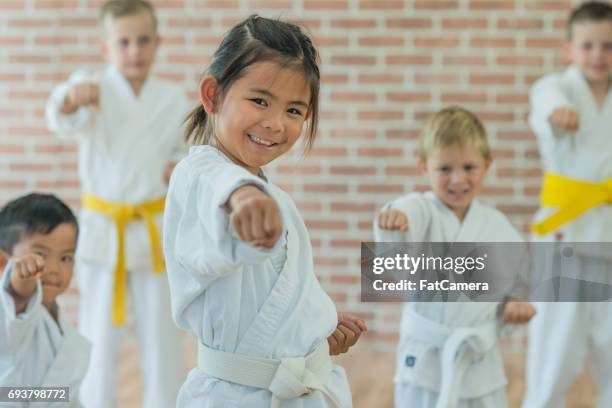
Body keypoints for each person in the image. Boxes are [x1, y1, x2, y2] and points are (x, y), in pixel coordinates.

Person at [163, 14, 366, 407]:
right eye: (259, 101)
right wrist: (245, 198)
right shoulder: (199, 176)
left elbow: (276, 300)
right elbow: (222, 189)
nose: (275, 123)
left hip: (293, 386)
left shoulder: (278, 199)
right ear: (212, 95)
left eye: (294, 111)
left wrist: (315, 331)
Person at [45, 1, 188, 406]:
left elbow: (186, 151)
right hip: (105, 236)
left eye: (143, 41)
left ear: (158, 43)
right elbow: (59, 115)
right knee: (96, 338)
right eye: (123, 42)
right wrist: (71, 97)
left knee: (162, 340)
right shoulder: (92, 89)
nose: (134, 51)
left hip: (151, 235)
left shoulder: (171, 100)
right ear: (105, 47)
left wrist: (177, 166)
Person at [374, 107, 535, 408]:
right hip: (426, 357)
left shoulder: (498, 226)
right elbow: (408, 210)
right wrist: (396, 216)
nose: (457, 179)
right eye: (445, 168)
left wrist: (515, 300)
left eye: (469, 167)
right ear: (424, 168)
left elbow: (519, 273)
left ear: (487, 164)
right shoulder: (421, 210)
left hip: (478, 358)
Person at [524, 2, 612, 406]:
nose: (598, 54)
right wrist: (557, 114)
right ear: (569, 49)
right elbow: (546, 105)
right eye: (589, 45)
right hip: (567, 240)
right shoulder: (553, 89)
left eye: (608, 45)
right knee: (552, 353)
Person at [0, 193, 90, 407]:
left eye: (65, 258)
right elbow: (18, 294)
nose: (54, 269)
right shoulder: (13, 310)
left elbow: (64, 392)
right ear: (4, 261)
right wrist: (21, 277)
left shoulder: (59, 323)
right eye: (40, 254)